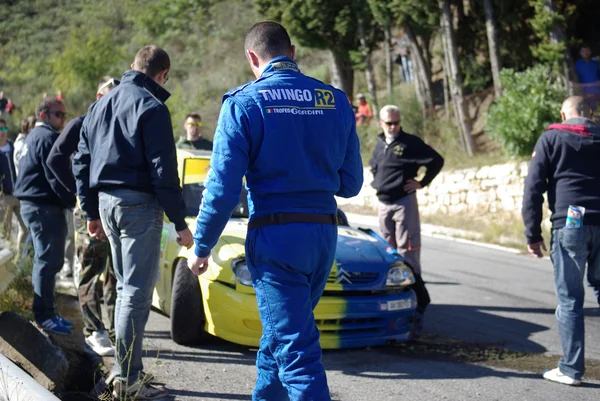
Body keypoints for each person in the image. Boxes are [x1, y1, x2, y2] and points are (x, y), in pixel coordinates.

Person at [188, 21, 363, 400]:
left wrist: (201, 247)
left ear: (252, 57)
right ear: (293, 52)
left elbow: (221, 189)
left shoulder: (243, 103)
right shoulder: (335, 100)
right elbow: (350, 184)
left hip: (276, 239)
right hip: (322, 237)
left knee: (296, 352)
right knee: (279, 339)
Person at [73, 46, 193, 400]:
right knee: (135, 292)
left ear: (132, 67)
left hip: (107, 205)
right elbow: (163, 170)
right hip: (138, 205)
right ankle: (127, 380)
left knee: (126, 289)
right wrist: (180, 222)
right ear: (162, 75)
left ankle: (124, 375)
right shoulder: (152, 106)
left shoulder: (98, 106)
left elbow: (81, 161)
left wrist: (91, 211)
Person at [522, 96, 600, 386]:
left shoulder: (551, 138)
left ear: (563, 113)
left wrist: (532, 234)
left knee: (569, 299)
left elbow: (533, 188)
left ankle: (570, 370)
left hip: (570, 224)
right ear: (590, 114)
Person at [47, 76, 121, 357]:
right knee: (91, 268)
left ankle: (116, 331)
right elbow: (55, 158)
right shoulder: (81, 123)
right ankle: (94, 330)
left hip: (114, 209)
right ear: (99, 96)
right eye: (109, 96)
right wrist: (76, 193)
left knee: (115, 272)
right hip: (89, 211)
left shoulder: (120, 124)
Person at [369, 105, 444, 335]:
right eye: (389, 123)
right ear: (382, 123)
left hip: (403, 202)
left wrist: (422, 182)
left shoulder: (410, 142)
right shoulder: (381, 143)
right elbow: (375, 166)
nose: (394, 126)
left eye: (397, 122)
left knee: (407, 251)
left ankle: (417, 302)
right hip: (384, 203)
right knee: (387, 252)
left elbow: (436, 160)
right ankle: (391, 298)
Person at [13, 97, 75, 335]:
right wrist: (72, 198)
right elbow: (55, 174)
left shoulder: (33, 137)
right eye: (58, 114)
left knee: (47, 260)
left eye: (63, 115)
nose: (62, 119)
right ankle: (44, 316)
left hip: (35, 204)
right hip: (43, 206)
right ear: (43, 116)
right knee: (48, 261)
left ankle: (49, 312)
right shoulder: (47, 137)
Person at [0, 118, 28, 255]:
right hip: (3, 198)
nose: (2, 132)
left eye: (4, 129)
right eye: (0, 129)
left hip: (19, 194)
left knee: (26, 228)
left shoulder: (13, 147)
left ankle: (20, 263)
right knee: (4, 232)